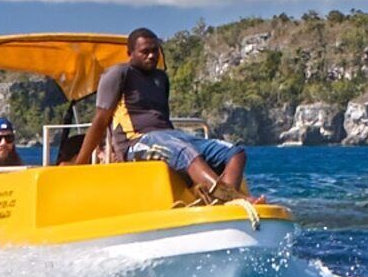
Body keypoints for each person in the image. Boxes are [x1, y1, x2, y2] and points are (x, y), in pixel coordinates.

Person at [84, 26, 247, 204]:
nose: (152, 56)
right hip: (137, 142)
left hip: (170, 136)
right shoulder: (119, 74)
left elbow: (162, 117)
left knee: (235, 152)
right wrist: (80, 162)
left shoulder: (161, 78)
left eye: (155, 51)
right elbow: (100, 120)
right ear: (130, 53)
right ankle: (232, 198)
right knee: (185, 152)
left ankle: (223, 200)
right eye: (145, 52)